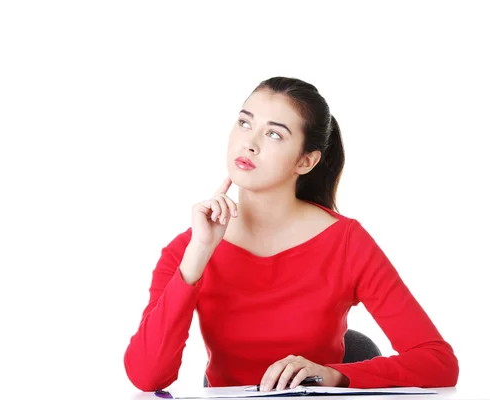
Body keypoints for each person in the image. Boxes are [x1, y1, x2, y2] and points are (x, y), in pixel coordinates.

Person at [123, 76, 459, 392]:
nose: (249, 143)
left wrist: (334, 374)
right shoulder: (189, 247)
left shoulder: (345, 242)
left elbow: (438, 362)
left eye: (274, 134)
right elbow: (147, 376)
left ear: (306, 161)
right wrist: (197, 256)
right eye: (244, 122)